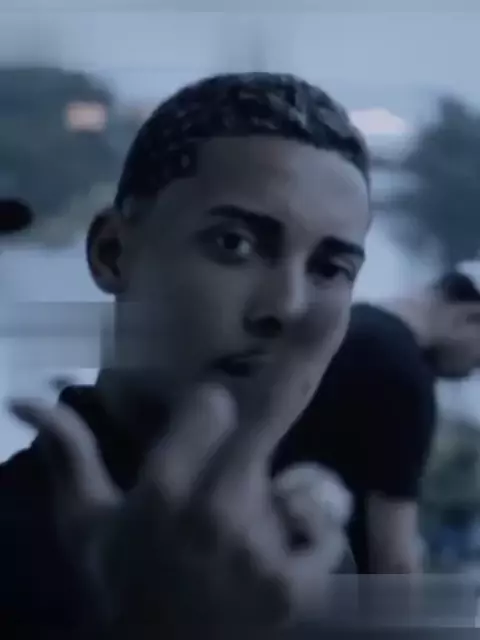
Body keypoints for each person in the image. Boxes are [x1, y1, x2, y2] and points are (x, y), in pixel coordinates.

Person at [0, 73, 371, 636]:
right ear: (112, 252)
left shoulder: (307, 553)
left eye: (331, 268)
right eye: (234, 243)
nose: (288, 306)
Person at [273, 269, 480, 575]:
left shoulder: (351, 325)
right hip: (312, 583)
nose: (472, 371)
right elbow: (394, 558)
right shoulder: (406, 375)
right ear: (470, 318)